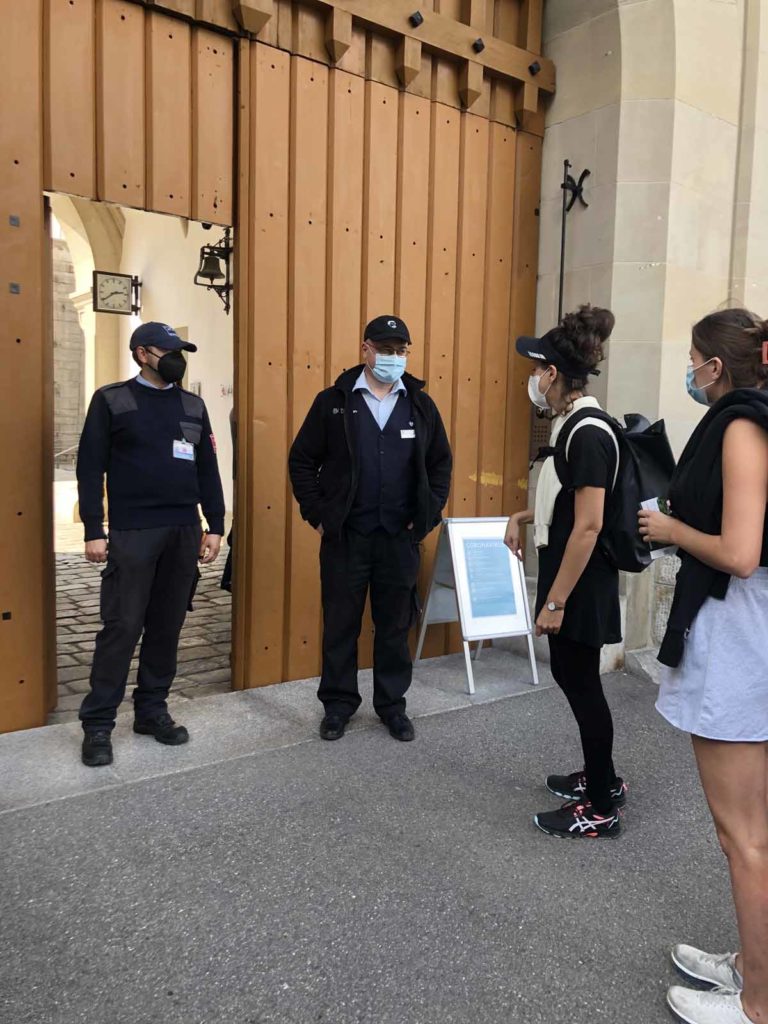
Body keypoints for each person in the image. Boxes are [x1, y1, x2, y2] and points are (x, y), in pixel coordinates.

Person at [638, 308, 768, 1024]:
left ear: (716, 367)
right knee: (755, 831)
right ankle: (755, 964)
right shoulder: (757, 417)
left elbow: (742, 553)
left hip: (741, 632)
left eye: (693, 359)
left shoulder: (743, 425)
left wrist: (669, 528)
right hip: (749, 630)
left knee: (743, 836)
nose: (688, 371)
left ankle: (757, 1003)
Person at [288, 315, 452, 742]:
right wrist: (319, 515)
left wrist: (428, 515)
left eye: (400, 351)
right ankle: (338, 706)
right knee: (340, 623)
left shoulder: (420, 405)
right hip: (346, 538)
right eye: (385, 349)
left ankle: (392, 707)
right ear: (365, 349)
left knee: (394, 625)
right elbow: (302, 461)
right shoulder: (334, 401)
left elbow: (440, 465)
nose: (393, 358)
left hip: (399, 539)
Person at [76, 322, 225, 767]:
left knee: (167, 625)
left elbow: (207, 470)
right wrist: (93, 529)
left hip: (182, 530)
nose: (178, 358)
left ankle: (152, 710)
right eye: (169, 350)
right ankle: (99, 724)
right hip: (132, 531)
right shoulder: (112, 400)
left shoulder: (193, 405)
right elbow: (89, 468)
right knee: (122, 626)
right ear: (142, 353)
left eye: (182, 351)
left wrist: (214, 525)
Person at [505, 305, 627, 839]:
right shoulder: (575, 425)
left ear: (553, 374)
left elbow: (588, 525)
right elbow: (571, 503)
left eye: (536, 370)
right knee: (573, 679)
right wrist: (521, 515)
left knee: (581, 684)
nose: (532, 380)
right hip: (574, 578)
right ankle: (601, 778)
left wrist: (553, 602)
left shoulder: (589, 433)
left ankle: (602, 805)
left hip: (579, 582)